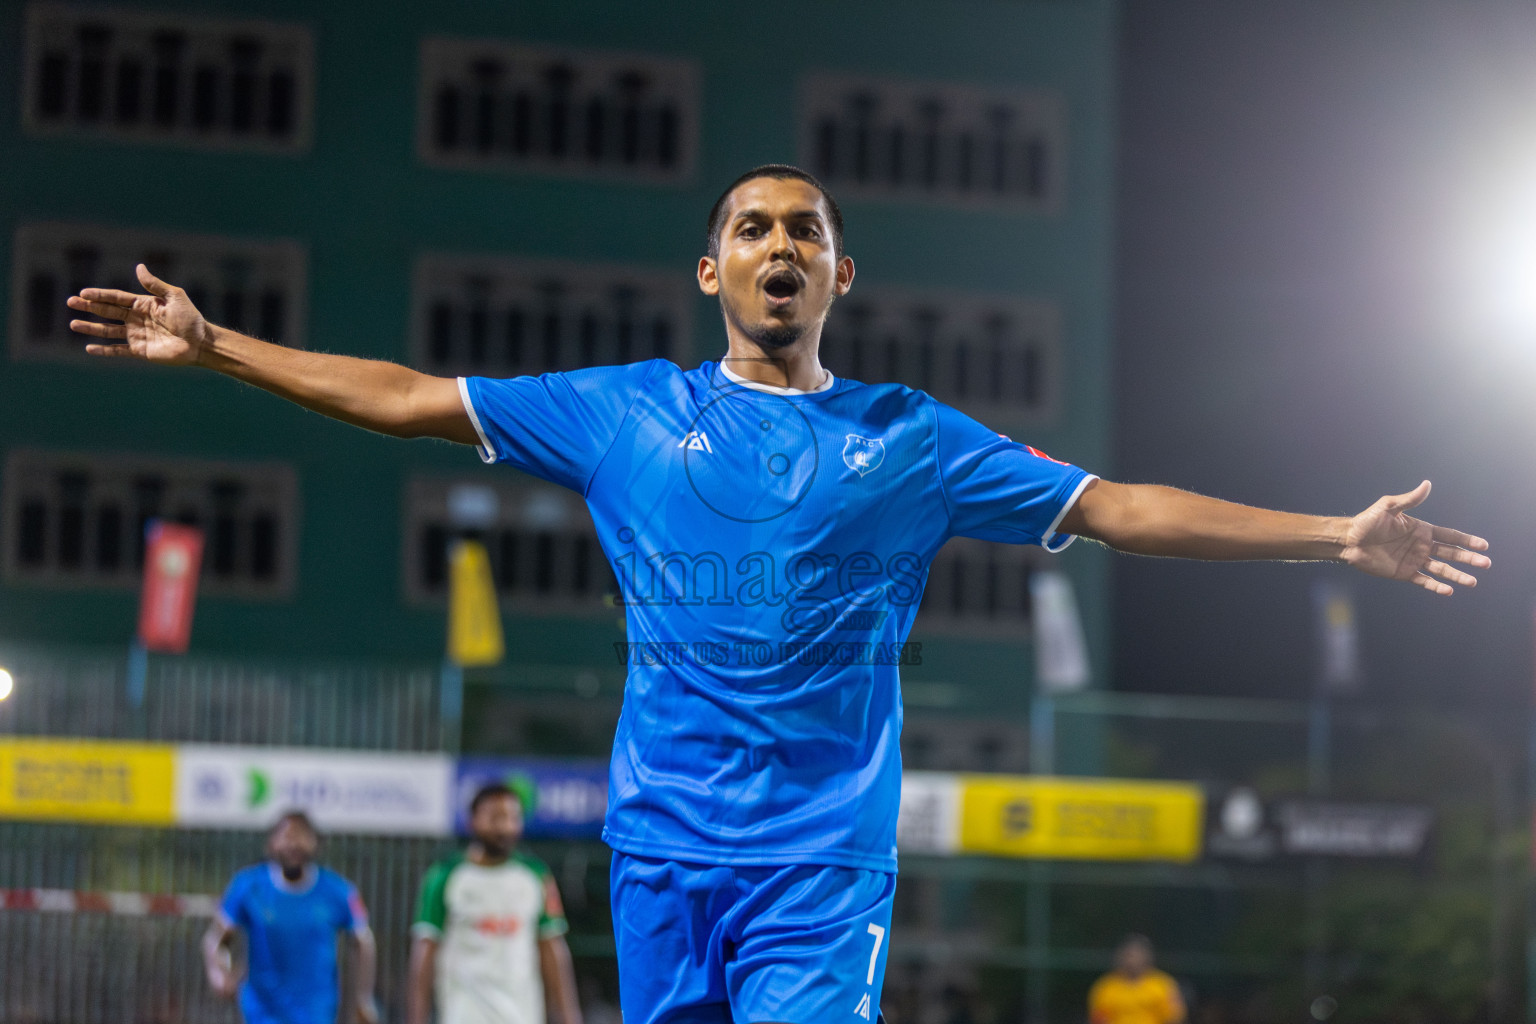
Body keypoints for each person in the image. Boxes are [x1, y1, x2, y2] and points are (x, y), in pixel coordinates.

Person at [70, 164, 1490, 1024]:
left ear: (841, 272)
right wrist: (218, 351)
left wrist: (1333, 534)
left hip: (822, 870)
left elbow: (1118, 507)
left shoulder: (910, 438)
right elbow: (406, 395)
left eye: (806, 229)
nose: (781, 246)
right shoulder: (621, 413)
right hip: (660, 857)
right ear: (712, 269)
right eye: (754, 228)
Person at [408, 782, 582, 1024]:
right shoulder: (445, 876)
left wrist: (570, 1018)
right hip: (463, 1015)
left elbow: (552, 948)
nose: (505, 827)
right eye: (496, 817)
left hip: (522, 1016)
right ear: (473, 821)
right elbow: (424, 953)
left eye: (513, 818)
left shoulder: (535, 876)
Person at [203, 811, 378, 1024]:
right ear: (271, 843)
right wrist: (219, 974)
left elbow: (363, 942)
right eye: (286, 836)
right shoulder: (249, 887)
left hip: (315, 1011)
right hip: (262, 1010)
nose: (293, 844)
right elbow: (216, 939)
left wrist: (363, 998)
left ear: (315, 843)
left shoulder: (337, 891)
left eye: (301, 836)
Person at [1088, 935, 1186, 1024]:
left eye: (1136, 955)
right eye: (1128, 955)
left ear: (1146, 957)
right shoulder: (1106, 987)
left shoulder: (1162, 984)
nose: (1131, 960)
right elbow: (1098, 1019)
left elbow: (1174, 1017)